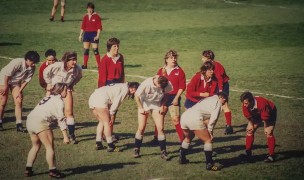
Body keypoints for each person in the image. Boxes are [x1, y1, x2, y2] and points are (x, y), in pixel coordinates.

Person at [24, 83, 68, 178]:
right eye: (65, 90)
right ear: (60, 91)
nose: (67, 92)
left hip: (30, 120)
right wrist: (65, 136)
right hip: (40, 121)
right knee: (49, 147)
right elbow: (61, 119)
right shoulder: (59, 101)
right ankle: (53, 170)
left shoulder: (48, 97)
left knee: (35, 146)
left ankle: (28, 169)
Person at [178, 92, 228, 171]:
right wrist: (210, 132)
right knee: (208, 140)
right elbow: (213, 119)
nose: (223, 104)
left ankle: (182, 158)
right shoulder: (218, 102)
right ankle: (209, 164)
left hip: (184, 116)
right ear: (222, 98)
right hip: (194, 118)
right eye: (224, 102)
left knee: (188, 138)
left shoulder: (208, 99)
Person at [43, 51, 82, 144]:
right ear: (66, 60)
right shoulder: (57, 65)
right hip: (54, 89)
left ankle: (72, 135)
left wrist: (72, 84)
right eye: (72, 60)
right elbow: (46, 72)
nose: (74, 62)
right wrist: (49, 83)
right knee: (49, 114)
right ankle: (44, 134)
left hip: (66, 88)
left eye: (75, 59)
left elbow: (79, 77)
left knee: (69, 112)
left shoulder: (77, 68)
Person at [89, 82, 140, 152]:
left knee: (102, 122)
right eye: (134, 89)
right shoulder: (125, 89)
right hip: (100, 100)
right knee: (107, 123)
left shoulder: (123, 85)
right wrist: (111, 114)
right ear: (131, 86)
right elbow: (117, 102)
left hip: (93, 97)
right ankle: (110, 145)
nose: (133, 91)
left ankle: (98, 143)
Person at [133, 75, 173, 160]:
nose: (161, 89)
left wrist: (162, 105)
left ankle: (163, 151)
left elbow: (167, 94)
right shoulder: (146, 83)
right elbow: (136, 96)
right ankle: (136, 149)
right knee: (141, 127)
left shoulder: (166, 84)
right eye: (160, 87)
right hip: (144, 103)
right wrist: (140, 107)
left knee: (161, 128)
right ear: (156, 82)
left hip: (156, 104)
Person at [0, 51, 40, 132]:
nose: (33, 64)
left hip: (15, 82)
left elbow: (26, 81)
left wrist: (19, 91)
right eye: (32, 62)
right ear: (27, 59)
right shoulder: (17, 62)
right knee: (2, 101)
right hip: (4, 79)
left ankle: (19, 125)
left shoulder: (32, 67)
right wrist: (5, 87)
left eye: (35, 62)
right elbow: (7, 75)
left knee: (19, 100)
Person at [153, 50, 186, 143]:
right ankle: (156, 137)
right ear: (166, 59)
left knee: (176, 120)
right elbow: (156, 84)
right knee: (159, 117)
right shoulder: (161, 70)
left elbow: (182, 86)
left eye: (175, 57)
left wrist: (176, 98)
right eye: (171, 57)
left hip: (174, 98)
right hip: (162, 97)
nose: (174, 59)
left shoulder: (180, 71)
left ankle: (183, 140)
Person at [98, 37, 125, 141]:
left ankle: (109, 133)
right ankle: (105, 135)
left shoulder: (120, 57)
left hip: (118, 85)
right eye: (115, 46)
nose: (117, 48)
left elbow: (122, 73)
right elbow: (102, 77)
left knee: (114, 111)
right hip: (108, 86)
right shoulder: (105, 59)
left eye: (118, 46)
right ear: (109, 47)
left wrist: (123, 87)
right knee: (107, 112)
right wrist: (101, 91)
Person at [239, 91, 277, 162]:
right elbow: (249, 117)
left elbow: (265, 118)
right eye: (243, 103)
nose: (244, 105)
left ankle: (271, 155)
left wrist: (266, 128)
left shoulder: (262, 104)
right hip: (257, 113)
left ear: (252, 101)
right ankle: (248, 152)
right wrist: (251, 125)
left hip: (270, 112)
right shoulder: (245, 105)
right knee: (249, 130)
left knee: (268, 132)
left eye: (246, 103)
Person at [202, 50, 233, 135]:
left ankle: (229, 126)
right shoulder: (208, 65)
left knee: (224, 105)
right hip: (216, 85)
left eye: (203, 57)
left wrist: (220, 92)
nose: (202, 59)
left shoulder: (217, 66)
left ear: (208, 58)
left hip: (222, 86)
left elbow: (220, 80)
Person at [78, 2, 102, 69]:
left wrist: (97, 36)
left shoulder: (97, 17)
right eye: (88, 9)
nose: (90, 10)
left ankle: (99, 65)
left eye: (91, 9)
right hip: (86, 34)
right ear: (87, 9)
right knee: (86, 50)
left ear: (93, 9)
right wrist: (80, 35)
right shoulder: (85, 17)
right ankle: (85, 65)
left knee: (95, 50)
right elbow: (83, 27)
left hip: (94, 34)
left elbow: (99, 28)